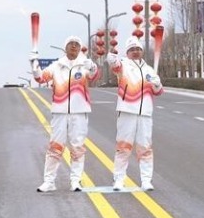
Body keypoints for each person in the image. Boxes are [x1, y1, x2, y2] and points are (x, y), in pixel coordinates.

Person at [30, 36, 99, 192]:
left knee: (77, 147)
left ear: (80, 48)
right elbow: (40, 78)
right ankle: (49, 181)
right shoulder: (56, 66)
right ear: (65, 47)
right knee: (55, 146)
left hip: (80, 112)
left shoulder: (84, 65)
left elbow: (94, 76)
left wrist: (93, 67)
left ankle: (76, 181)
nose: (74, 46)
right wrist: (34, 65)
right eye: (70, 44)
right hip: (60, 112)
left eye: (76, 44)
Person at [106, 36, 163, 191]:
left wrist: (157, 84)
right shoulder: (123, 66)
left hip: (145, 113)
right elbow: (113, 63)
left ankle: (146, 180)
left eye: (138, 49)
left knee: (145, 148)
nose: (135, 52)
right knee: (123, 147)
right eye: (132, 50)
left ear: (142, 51)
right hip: (127, 111)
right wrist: (111, 55)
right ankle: (119, 179)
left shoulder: (149, 70)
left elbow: (158, 91)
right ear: (127, 52)